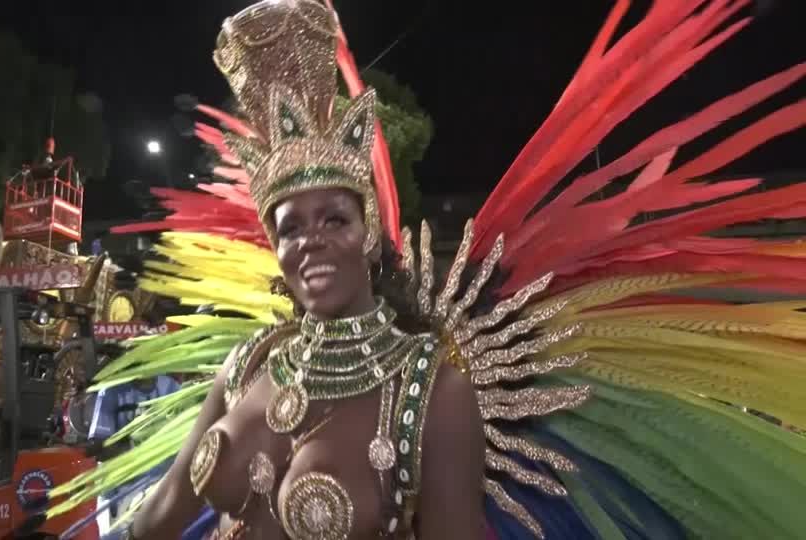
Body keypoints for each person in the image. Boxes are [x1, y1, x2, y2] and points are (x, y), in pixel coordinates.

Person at [48, 2, 806, 539]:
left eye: (333, 219)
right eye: (289, 227)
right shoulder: (245, 366)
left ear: (369, 231)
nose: (311, 242)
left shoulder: (430, 388)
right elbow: (163, 513)